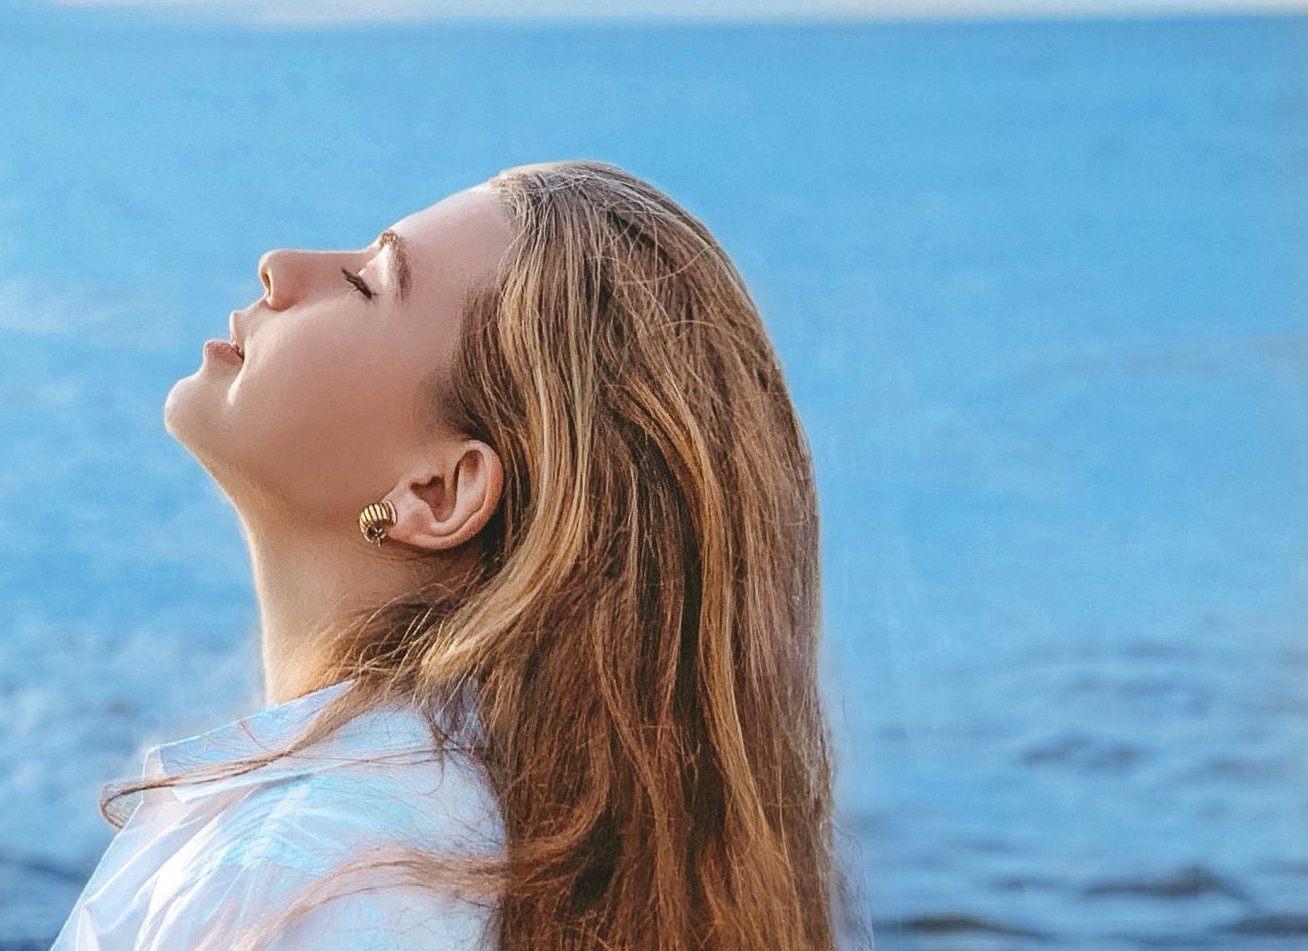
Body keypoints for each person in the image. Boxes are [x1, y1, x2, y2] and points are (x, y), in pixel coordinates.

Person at [50, 160, 869, 950]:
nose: (282, 266)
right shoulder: (443, 837)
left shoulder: (326, 883)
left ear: (438, 493)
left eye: (368, 283)